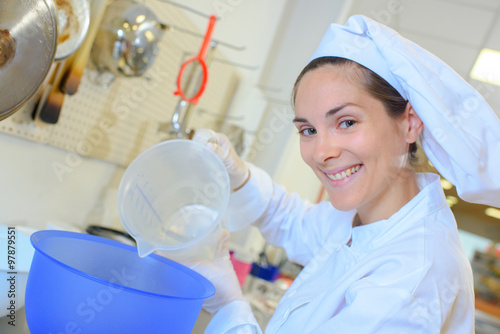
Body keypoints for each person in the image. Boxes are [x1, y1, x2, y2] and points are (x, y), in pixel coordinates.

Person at [188, 15, 500, 333]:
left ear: (409, 123)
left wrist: (228, 306)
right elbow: (292, 221)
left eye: (346, 122)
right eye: (308, 129)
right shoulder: (369, 217)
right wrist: (238, 176)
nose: (322, 152)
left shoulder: (417, 272)